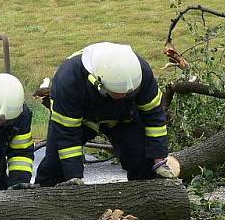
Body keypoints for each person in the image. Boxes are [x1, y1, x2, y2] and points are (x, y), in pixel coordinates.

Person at [35, 42, 174, 187]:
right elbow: (67, 134)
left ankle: (147, 200)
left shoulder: (141, 71)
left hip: (125, 118)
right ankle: (43, 201)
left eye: (128, 92)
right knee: (54, 167)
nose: (123, 95)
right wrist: (74, 177)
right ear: (98, 82)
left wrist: (159, 161)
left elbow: (154, 117)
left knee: (143, 160)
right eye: (117, 92)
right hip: (81, 120)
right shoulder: (69, 79)